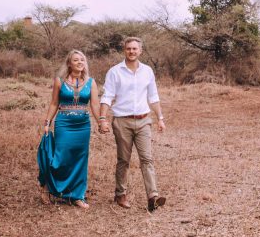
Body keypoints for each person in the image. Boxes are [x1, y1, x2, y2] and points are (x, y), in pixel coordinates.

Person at [99, 37, 167, 212]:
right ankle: (120, 194)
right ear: (124, 50)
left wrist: (160, 118)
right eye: (128, 48)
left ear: (140, 51)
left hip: (144, 120)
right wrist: (102, 118)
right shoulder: (115, 72)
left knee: (147, 158)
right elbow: (107, 96)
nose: (131, 51)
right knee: (124, 159)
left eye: (135, 49)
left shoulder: (147, 71)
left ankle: (153, 196)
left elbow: (153, 96)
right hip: (122, 121)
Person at [37, 49, 101, 209]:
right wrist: (47, 122)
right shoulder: (60, 81)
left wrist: (101, 121)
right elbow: (54, 103)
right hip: (64, 124)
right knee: (60, 158)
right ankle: (47, 188)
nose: (80, 62)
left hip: (83, 126)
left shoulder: (91, 82)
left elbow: (94, 105)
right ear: (69, 63)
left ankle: (76, 195)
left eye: (82, 60)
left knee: (80, 159)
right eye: (76, 60)